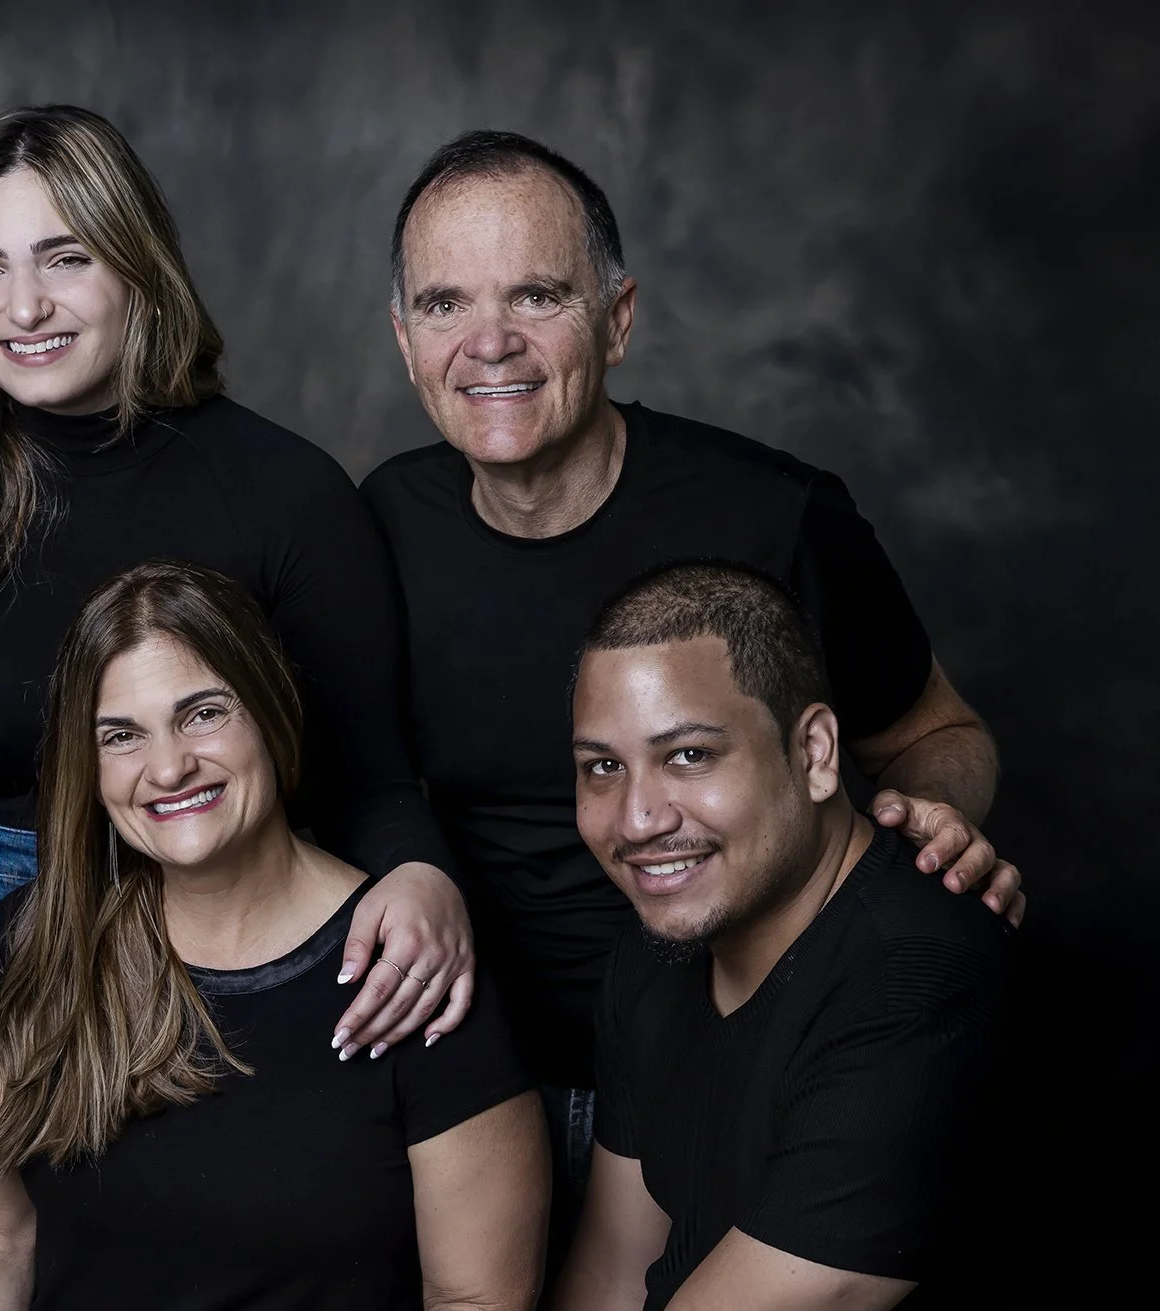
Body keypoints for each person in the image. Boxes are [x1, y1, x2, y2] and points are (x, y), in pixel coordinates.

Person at [0, 105, 477, 1306]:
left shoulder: (286, 496)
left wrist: (420, 878)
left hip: (216, 946)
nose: (25, 306)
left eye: (66, 256)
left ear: (135, 262)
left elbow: (372, 777)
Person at [359, 130, 1022, 1246]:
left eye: (537, 295)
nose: (489, 343)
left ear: (618, 319)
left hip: (729, 1073)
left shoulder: (775, 516)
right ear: (404, 340)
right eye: (443, 305)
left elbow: (938, 733)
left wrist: (938, 817)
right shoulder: (382, 524)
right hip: (464, 1088)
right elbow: (358, 781)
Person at [0, 560, 548, 1310]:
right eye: (121, 734)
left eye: (203, 713)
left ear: (269, 707)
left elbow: (475, 1298)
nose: (169, 765)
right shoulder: (30, 949)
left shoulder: (412, 972)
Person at [551, 563, 1009, 1310]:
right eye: (602, 766)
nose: (637, 820)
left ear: (816, 752)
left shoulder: (920, 981)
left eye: (689, 755)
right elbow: (613, 1270)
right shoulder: (654, 946)